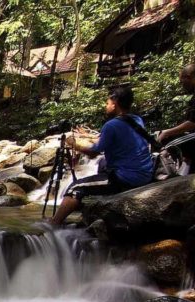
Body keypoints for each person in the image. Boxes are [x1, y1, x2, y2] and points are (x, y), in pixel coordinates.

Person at [49, 85, 154, 226]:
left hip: (127, 178)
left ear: (114, 104)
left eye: (107, 103)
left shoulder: (111, 125)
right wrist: (88, 136)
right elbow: (111, 139)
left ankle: (54, 223)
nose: (106, 106)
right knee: (102, 165)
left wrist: (73, 143)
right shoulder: (136, 120)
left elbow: (93, 152)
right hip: (145, 173)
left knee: (75, 187)